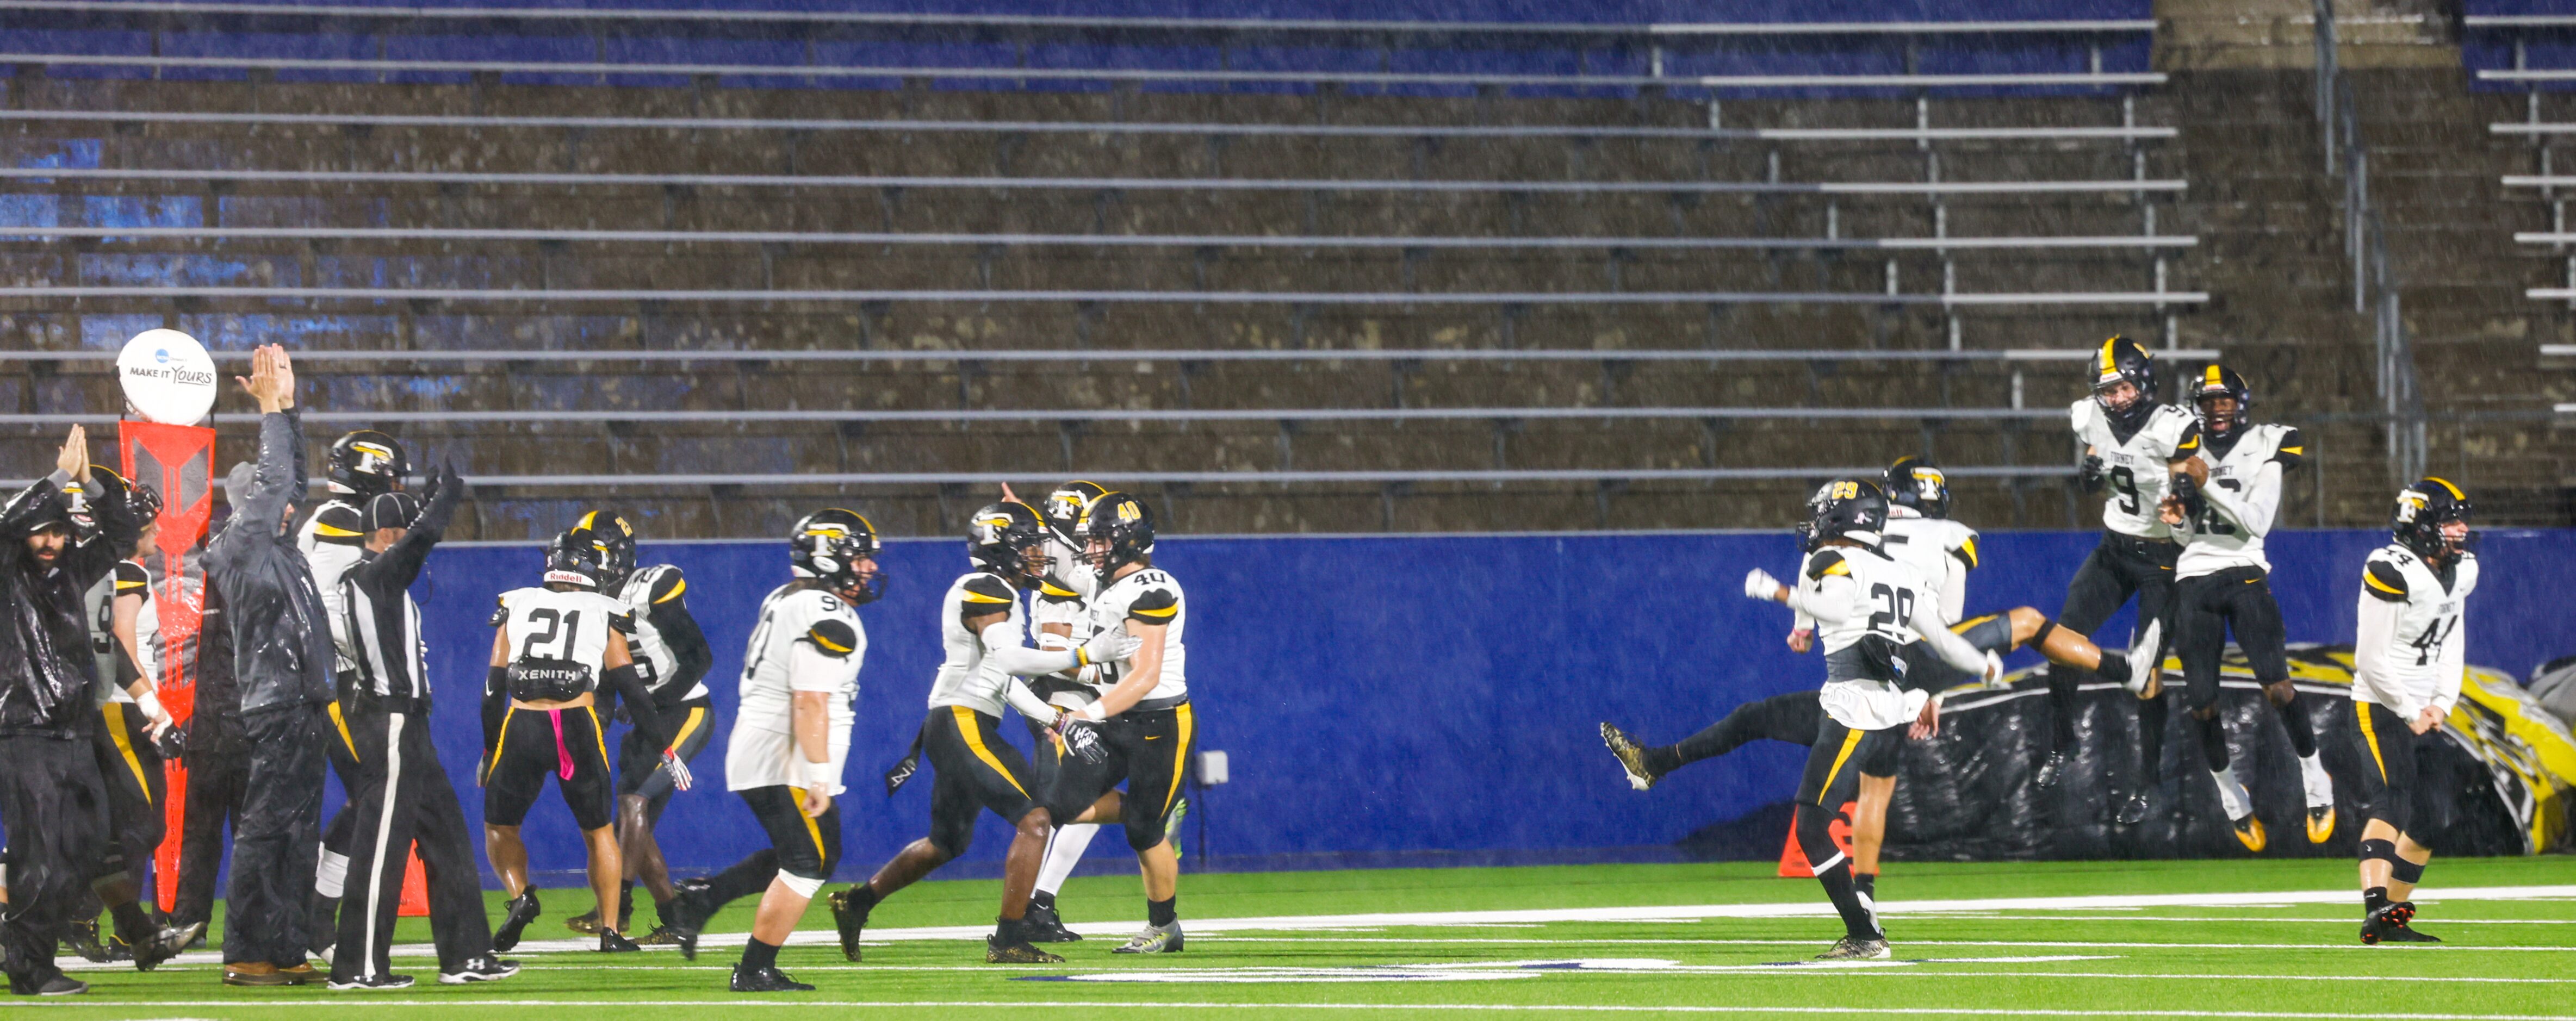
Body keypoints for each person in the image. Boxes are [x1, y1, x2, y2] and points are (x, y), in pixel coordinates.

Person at [824, 502, 1138, 967]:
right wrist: (1085, 654)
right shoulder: (986, 588)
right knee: (1036, 819)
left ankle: (858, 903)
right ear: (1001, 550)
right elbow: (1008, 661)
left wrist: (1051, 718)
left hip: (958, 720)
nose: (1037, 554)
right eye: (1027, 545)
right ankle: (1009, 938)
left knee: (946, 843)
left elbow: (1002, 676)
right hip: (961, 720)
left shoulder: (994, 590)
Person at [1739, 479, 2002, 961]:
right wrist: (1982, 664)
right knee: (1816, 817)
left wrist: (1778, 592)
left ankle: (1864, 933)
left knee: (1812, 826)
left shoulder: (1833, 561)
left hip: (1852, 705)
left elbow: (1834, 607)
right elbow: (1943, 641)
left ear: (1843, 519)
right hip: (1884, 706)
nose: (1816, 521)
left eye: (1824, 513)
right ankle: (1864, 924)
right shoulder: (1899, 571)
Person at [664, 509, 882, 991]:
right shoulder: (824, 610)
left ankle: (706, 896)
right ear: (829, 559)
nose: (867, 568)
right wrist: (819, 773)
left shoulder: (788, 597)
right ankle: (753, 968)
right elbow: (808, 700)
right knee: (809, 862)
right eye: (859, 556)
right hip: (784, 751)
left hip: (769, 746)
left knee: (810, 853)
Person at [325, 469, 521, 989]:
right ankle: (358, 965)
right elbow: (422, 538)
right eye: (404, 531)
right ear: (389, 535)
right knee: (382, 843)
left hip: (408, 722)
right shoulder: (373, 576)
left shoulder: (375, 577)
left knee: (448, 837)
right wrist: (447, 495)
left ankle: (466, 955)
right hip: (387, 721)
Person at [203, 345, 342, 988]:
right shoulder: (240, 545)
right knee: (266, 831)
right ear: (249, 504)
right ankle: (247, 951)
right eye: (277, 500)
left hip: (302, 702)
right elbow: (278, 483)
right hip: (277, 703)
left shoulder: (278, 545)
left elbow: (293, 482)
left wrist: (288, 406)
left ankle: (286, 948)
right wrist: (267, 414)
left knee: (297, 833)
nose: (293, 506)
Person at [481, 530, 690, 954]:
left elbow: (492, 688)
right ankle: (611, 931)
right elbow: (631, 688)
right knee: (598, 833)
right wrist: (665, 749)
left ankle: (521, 895)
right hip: (575, 724)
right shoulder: (605, 609)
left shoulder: (517, 601)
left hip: (522, 724)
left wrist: (489, 749)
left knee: (500, 827)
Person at [0, 426, 152, 995]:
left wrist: (90, 482)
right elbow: (9, 524)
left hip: (72, 730)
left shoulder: (71, 575)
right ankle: (30, 970)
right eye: (40, 533)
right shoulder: (5, 571)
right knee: (38, 857)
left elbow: (122, 531)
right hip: (24, 732)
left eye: (58, 533)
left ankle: (23, 946)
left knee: (86, 850)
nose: (48, 542)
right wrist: (60, 476)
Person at [1010, 491, 1195, 955]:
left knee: (1143, 832)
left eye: (1097, 539)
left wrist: (1087, 712)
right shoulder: (1109, 588)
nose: (1089, 548)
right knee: (1058, 803)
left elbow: (1147, 675)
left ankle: (1164, 926)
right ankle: (1152, 810)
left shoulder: (1151, 587)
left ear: (1126, 542)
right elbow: (1114, 666)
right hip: (1119, 714)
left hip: (1158, 721)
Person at [2160, 364, 2318, 852]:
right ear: (2197, 408)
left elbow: (2256, 523)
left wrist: (2205, 485)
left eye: (2224, 400)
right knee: (2202, 702)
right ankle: (2232, 799)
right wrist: (2176, 521)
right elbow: (2186, 537)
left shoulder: (2270, 441)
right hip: (2194, 578)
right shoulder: (2183, 453)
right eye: (2208, 402)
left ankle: (2316, 782)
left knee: (2277, 686)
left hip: (2245, 570)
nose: (2217, 409)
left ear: (2240, 402)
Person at [2052, 336, 2203, 821]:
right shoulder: (2088, 415)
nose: (2115, 398)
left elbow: (2193, 471)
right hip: (2115, 549)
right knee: (2062, 638)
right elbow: (2097, 454)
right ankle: (2061, 741)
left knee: (2148, 676)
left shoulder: (2172, 425)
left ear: (2143, 381)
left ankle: (2148, 784)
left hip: (2163, 558)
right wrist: (2089, 473)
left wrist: (2181, 494)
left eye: (2122, 388)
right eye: (2107, 390)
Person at [563, 511, 716, 944]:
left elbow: (699, 657)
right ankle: (677, 920)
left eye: (591, 553)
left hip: (686, 710)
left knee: (633, 802)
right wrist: (597, 726)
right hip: (650, 717)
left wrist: (651, 702)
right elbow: (610, 680)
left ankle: (618, 906)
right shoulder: (592, 602)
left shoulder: (650, 587)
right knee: (632, 823)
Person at [69, 468, 191, 967]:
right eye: (148, 525)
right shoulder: (120, 571)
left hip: (94, 705)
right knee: (127, 824)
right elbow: (117, 643)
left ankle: (126, 929)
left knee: (96, 828)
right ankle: (76, 921)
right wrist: (150, 707)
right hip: (91, 709)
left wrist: (148, 700)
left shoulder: (86, 571)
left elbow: (107, 646)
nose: (156, 533)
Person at [2348, 479, 2475, 945]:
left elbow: (2450, 642)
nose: (2461, 529)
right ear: (2422, 526)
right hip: (2380, 704)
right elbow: (2370, 659)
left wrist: (2441, 702)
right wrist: (2407, 709)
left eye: (2462, 518)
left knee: (2432, 817)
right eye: (2450, 520)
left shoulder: (2460, 571)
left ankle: (2389, 920)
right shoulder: (2389, 567)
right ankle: (2374, 904)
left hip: (2422, 709)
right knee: (2392, 799)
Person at [300, 428, 409, 962]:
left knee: (371, 795)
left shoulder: (342, 519)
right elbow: (323, 608)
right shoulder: (339, 520)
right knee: (373, 792)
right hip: (332, 679)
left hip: (340, 678)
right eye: (389, 480)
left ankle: (318, 914)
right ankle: (317, 917)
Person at [1018, 480, 1110, 943]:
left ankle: (1040, 902)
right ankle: (1027, 909)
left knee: (1078, 806)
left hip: (1083, 702)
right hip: (1060, 701)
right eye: (1092, 529)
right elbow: (1058, 657)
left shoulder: (1075, 571)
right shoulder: (1059, 581)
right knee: (1055, 809)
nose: (1100, 540)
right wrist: (1111, 680)